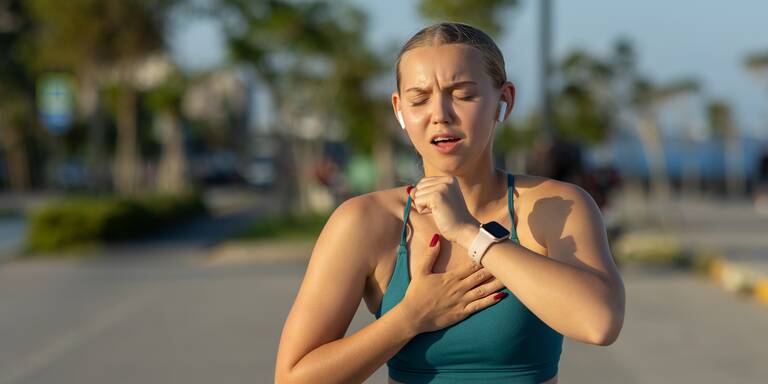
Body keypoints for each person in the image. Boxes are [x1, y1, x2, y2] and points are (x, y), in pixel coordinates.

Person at [275, 22, 626, 384]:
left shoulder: (555, 206)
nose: (440, 114)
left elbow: (599, 323)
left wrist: (471, 234)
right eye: (419, 99)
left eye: (463, 95)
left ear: (504, 100)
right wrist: (409, 318)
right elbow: (293, 378)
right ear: (399, 109)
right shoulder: (366, 221)